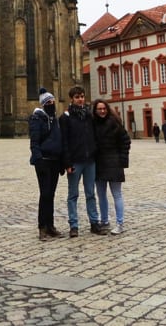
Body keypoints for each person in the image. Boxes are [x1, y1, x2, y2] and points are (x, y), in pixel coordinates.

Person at [59, 85, 108, 237]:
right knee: (73, 195)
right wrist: (66, 163)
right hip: (75, 162)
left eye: (82, 96)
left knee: (90, 193)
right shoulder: (65, 118)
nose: (80, 99)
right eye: (77, 97)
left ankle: (94, 222)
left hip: (89, 160)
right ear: (71, 99)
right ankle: (74, 225)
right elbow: (64, 142)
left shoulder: (89, 116)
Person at [28, 88, 64, 241]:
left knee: (51, 194)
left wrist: (61, 161)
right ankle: (42, 227)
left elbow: (59, 140)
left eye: (53, 101)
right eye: (49, 102)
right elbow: (34, 142)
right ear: (43, 104)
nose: (52, 104)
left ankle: (50, 226)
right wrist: (38, 159)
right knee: (45, 194)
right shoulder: (37, 118)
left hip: (54, 161)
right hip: (43, 162)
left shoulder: (54, 119)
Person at [93, 100, 131, 235]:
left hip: (114, 163)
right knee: (101, 195)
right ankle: (104, 221)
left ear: (107, 109)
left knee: (117, 194)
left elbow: (126, 141)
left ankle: (120, 223)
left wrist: (123, 160)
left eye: (104, 108)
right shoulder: (93, 124)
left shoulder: (115, 123)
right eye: (99, 109)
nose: (102, 111)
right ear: (95, 110)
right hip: (99, 164)